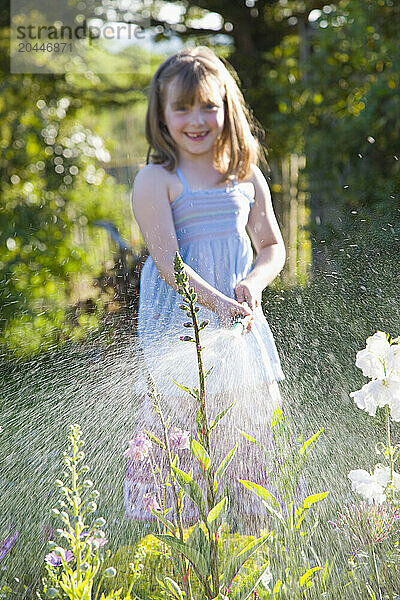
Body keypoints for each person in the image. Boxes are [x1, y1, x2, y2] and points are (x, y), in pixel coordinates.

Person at [124, 46, 286, 525]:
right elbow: (169, 264)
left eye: (208, 106)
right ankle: (181, 560)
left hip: (239, 334)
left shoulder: (245, 175)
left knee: (247, 448)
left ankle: (246, 560)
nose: (196, 119)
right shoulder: (157, 180)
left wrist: (253, 284)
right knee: (180, 449)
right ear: (162, 114)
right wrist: (215, 303)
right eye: (182, 107)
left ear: (226, 108)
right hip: (182, 333)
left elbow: (272, 247)